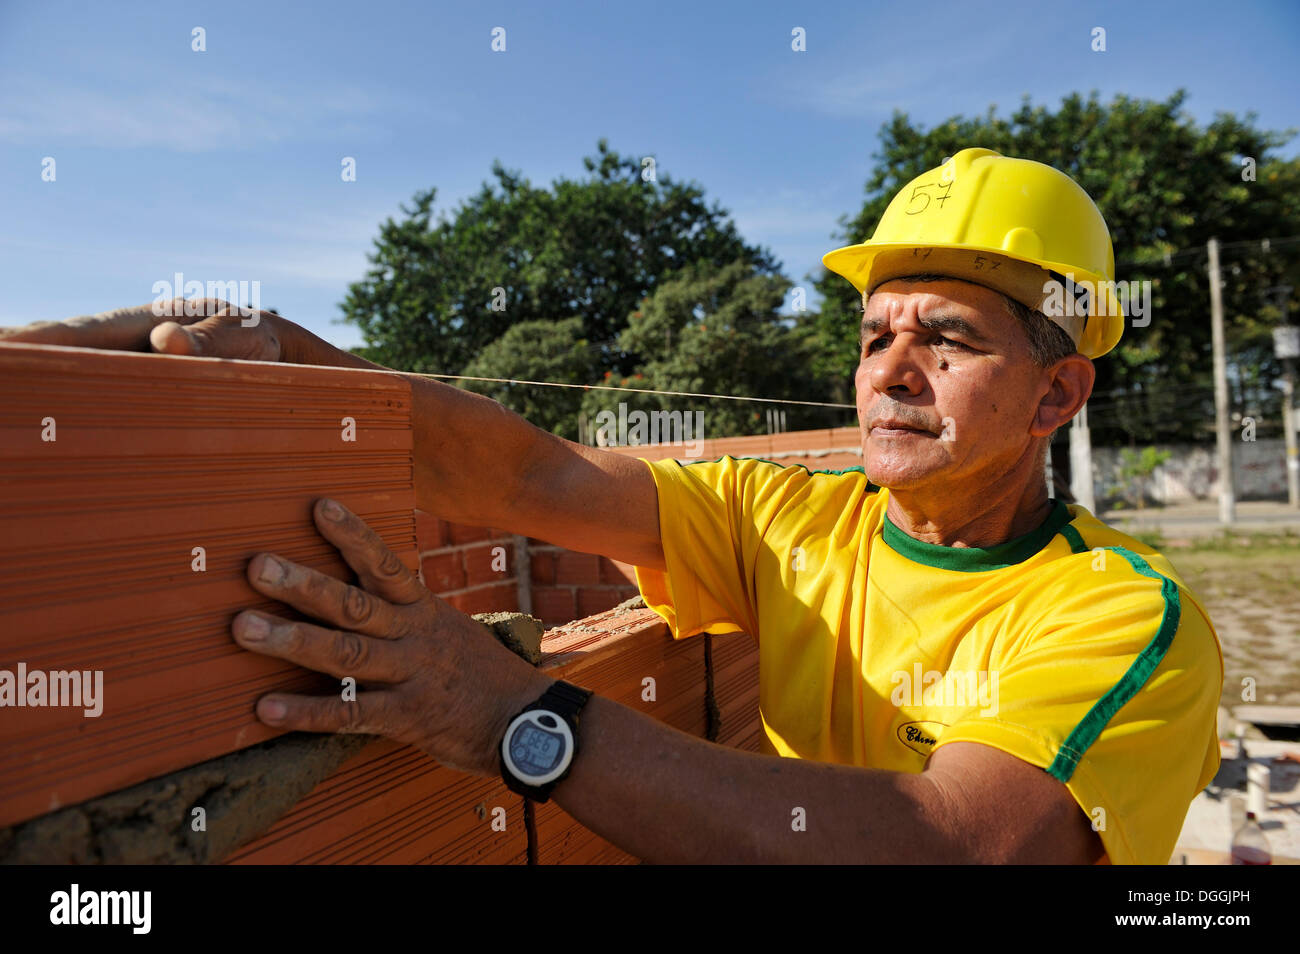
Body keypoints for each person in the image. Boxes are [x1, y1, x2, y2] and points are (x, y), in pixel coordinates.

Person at [1, 148, 1222, 864]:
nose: (890, 373)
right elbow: (528, 476)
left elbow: (954, 844)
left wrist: (509, 719)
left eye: (947, 339)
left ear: (1059, 393)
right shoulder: (791, 521)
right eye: (873, 336)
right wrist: (288, 352)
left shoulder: (1121, 620)